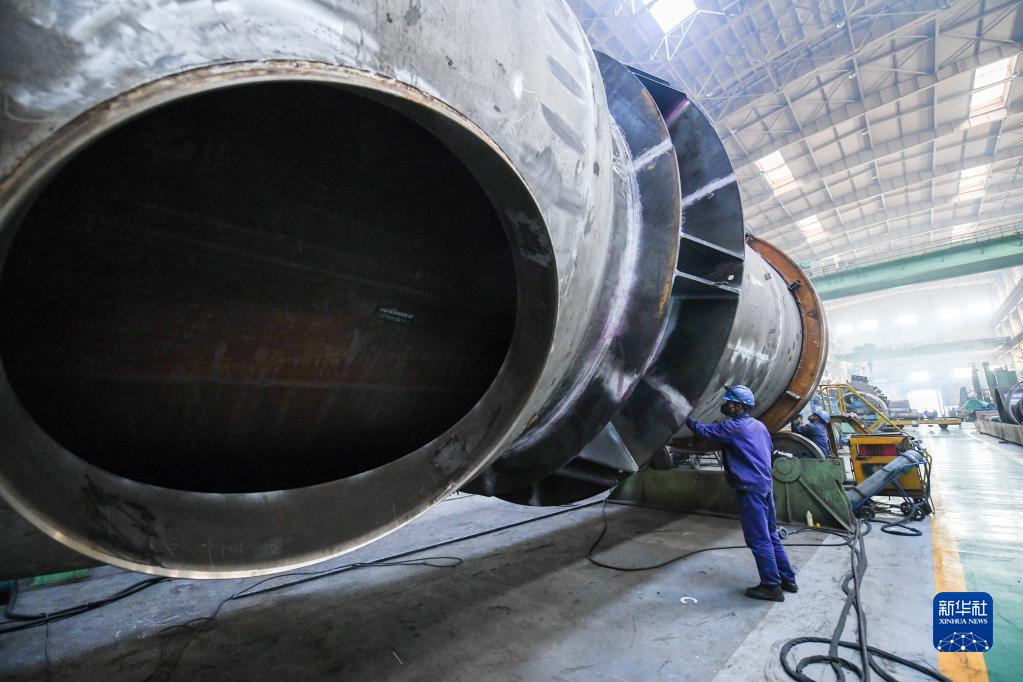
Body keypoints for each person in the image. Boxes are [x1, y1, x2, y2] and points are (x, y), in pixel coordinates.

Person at [685, 385, 797, 602]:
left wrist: (684, 416)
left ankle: (771, 587)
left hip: (749, 489)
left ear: (737, 406)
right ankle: (788, 580)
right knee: (771, 534)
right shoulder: (759, 426)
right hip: (765, 485)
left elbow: (704, 432)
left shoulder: (733, 427)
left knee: (759, 539)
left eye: (727, 402)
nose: (724, 405)